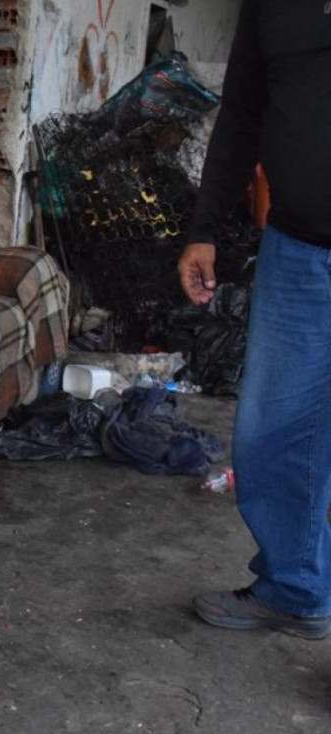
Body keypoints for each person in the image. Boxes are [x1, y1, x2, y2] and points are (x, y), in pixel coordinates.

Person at [180, 1, 331, 640]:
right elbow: (241, 114)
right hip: (298, 252)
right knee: (274, 434)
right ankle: (297, 588)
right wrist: (204, 229)